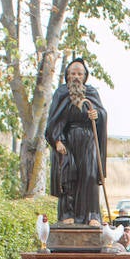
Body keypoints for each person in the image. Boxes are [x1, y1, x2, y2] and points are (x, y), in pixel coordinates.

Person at [44, 58, 107, 225]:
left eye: (80, 74)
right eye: (73, 73)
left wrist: (97, 115)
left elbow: (101, 114)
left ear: (85, 76)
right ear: (67, 75)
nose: (76, 77)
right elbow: (53, 121)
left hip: (88, 140)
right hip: (68, 140)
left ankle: (92, 215)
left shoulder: (91, 92)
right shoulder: (61, 93)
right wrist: (57, 140)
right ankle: (67, 213)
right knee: (68, 176)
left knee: (90, 175)